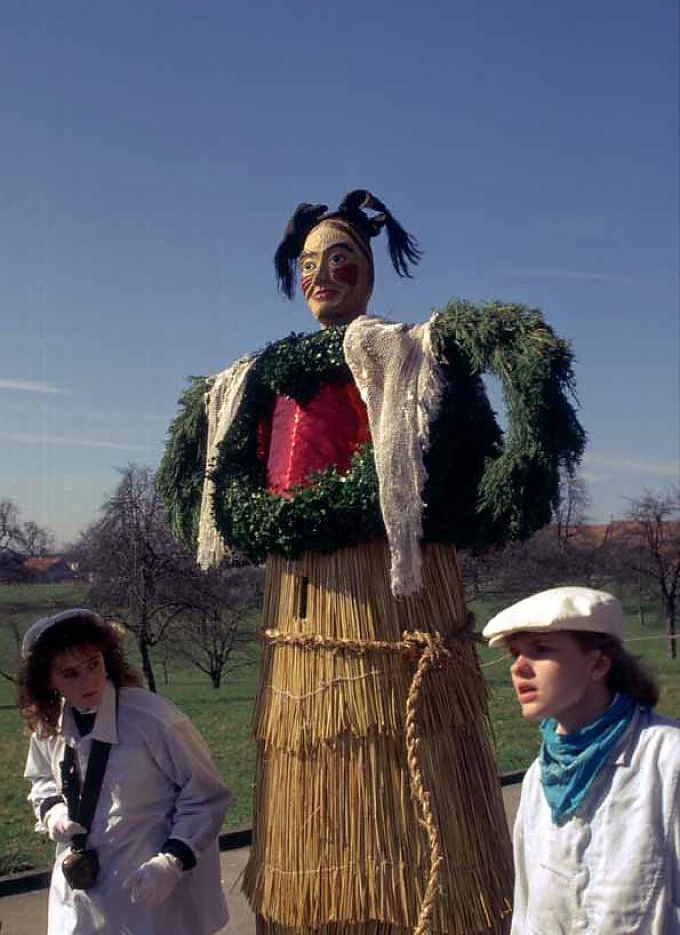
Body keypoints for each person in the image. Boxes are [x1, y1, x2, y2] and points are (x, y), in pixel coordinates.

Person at [158, 189, 586, 935]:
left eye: (341, 259)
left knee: (416, 817)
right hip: (300, 630)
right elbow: (217, 482)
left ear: (369, 273)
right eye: (310, 263)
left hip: (400, 620)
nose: (323, 274)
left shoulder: (413, 359)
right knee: (304, 780)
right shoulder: (260, 379)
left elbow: (478, 471)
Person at [20, 607, 232, 935]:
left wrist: (172, 861)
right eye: (70, 673)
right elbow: (42, 779)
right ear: (48, 680)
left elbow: (205, 795)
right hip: (81, 895)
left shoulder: (153, 719)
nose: (89, 681)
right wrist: (53, 812)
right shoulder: (49, 726)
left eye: (94, 664)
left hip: (149, 888)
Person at [483, 586, 680, 935]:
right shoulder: (538, 780)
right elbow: (527, 914)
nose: (518, 668)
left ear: (598, 664)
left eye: (540, 650)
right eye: (515, 653)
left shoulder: (667, 760)